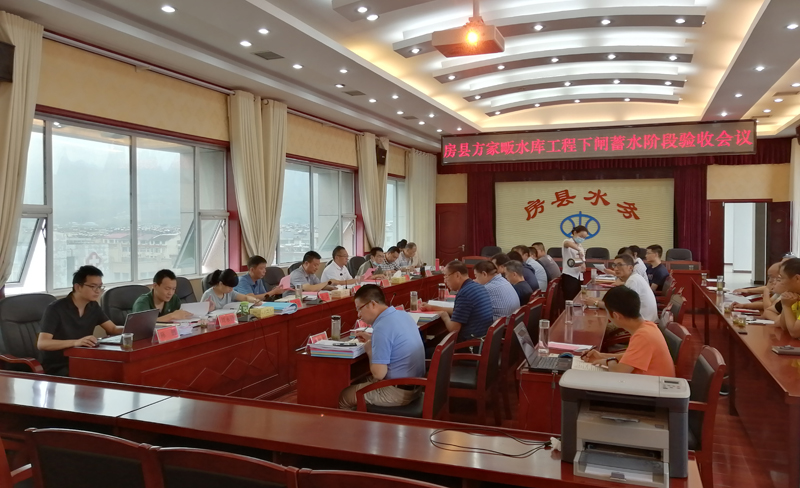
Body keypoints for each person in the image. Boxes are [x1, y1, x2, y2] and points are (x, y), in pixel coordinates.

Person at [339, 285, 426, 410]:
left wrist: (370, 350)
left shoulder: (382, 327)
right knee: (361, 380)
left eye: (359, 309)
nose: (358, 315)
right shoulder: (402, 315)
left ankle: (359, 423)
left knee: (344, 396)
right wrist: (373, 339)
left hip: (397, 393)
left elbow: (379, 374)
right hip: (416, 386)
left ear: (372, 304)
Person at [37, 266, 123, 376]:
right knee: (103, 374)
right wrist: (76, 342)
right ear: (77, 287)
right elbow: (42, 343)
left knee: (116, 369)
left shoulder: (93, 306)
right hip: (59, 365)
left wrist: (135, 328)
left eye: (100, 287)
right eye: (93, 286)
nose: (98, 291)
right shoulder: (55, 309)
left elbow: (113, 329)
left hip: (82, 358)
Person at [582, 286, 675, 376]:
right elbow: (629, 357)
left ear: (616, 316)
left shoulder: (643, 336)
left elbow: (618, 372)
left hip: (649, 385)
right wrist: (601, 356)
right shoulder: (648, 326)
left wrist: (608, 361)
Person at [424, 261, 494, 343]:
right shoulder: (478, 287)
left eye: (446, 276)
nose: (445, 281)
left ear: (457, 275)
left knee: (427, 345)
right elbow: (458, 311)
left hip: (470, 344)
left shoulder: (464, 293)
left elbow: (453, 329)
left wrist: (444, 316)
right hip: (482, 339)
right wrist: (432, 307)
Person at [586, 254, 658, 321]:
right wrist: (600, 301)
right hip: (639, 320)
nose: (616, 269)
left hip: (644, 323)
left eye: (620, 265)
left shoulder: (633, 280)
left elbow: (621, 308)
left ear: (630, 267)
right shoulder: (633, 277)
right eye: (615, 265)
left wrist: (596, 303)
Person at [562, 226, 588, 301]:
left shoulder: (580, 246)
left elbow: (583, 261)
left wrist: (583, 265)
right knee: (570, 299)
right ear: (575, 233)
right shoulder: (567, 241)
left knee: (578, 299)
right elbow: (568, 243)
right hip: (569, 275)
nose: (582, 239)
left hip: (579, 276)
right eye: (581, 236)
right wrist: (579, 250)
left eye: (584, 237)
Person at [775, 258, 800, 339]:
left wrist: (786, 306)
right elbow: (784, 326)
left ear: (797, 278)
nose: (781, 282)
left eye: (782, 278)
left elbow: (795, 333)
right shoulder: (795, 296)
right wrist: (785, 304)